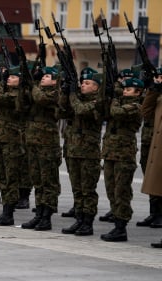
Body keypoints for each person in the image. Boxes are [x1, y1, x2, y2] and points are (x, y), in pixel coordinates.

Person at [60, 67, 105, 236]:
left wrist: (72, 94)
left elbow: (80, 109)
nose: (83, 86)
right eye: (82, 83)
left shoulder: (98, 102)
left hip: (88, 153)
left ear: (97, 87)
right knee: (77, 189)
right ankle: (79, 219)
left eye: (87, 83)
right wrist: (66, 92)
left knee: (88, 190)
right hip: (73, 150)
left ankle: (88, 222)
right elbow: (62, 110)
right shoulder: (77, 99)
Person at [100, 78, 143, 242]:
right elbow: (105, 111)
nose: (125, 91)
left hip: (124, 156)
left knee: (121, 192)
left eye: (129, 90)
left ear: (138, 93)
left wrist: (115, 97)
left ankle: (121, 227)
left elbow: (116, 112)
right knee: (111, 190)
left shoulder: (135, 106)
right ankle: (116, 221)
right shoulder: (117, 102)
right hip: (111, 153)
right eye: (124, 89)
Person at [21, 66, 61, 231]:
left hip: (47, 144)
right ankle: (39, 213)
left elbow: (40, 99)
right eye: (42, 76)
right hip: (33, 142)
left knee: (48, 181)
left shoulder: (55, 93)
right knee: (37, 179)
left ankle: (47, 216)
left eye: (47, 76)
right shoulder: (37, 90)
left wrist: (33, 83)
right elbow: (23, 103)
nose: (44, 78)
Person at [0, 66, 24, 226]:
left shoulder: (17, 94)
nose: (9, 78)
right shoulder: (5, 90)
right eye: (8, 77)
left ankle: (9, 211)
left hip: (11, 140)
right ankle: (5, 210)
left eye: (13, 77)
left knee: (10, 177)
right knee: (1, 176)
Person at [136, 68, 162, 228]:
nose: (159, 79)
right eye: (157, 77)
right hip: (153, 146)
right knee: (153, 181)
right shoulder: (157, 97)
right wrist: (153, 90)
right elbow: (145, 111)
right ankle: (155, 213)